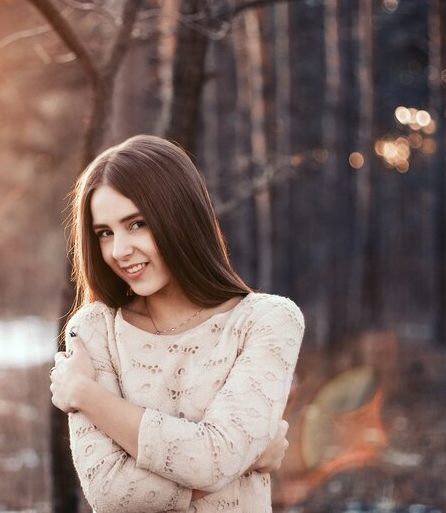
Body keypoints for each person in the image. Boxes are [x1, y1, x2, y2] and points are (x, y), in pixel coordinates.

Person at [49, 135, 304, 512]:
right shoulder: (94, 331)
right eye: (105, 232)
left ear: (180, 216)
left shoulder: (266, 321)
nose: (119, 251)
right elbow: (111, 494)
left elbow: (214, 459)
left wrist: (87, 395)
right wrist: (243, 459)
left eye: (136, 224)